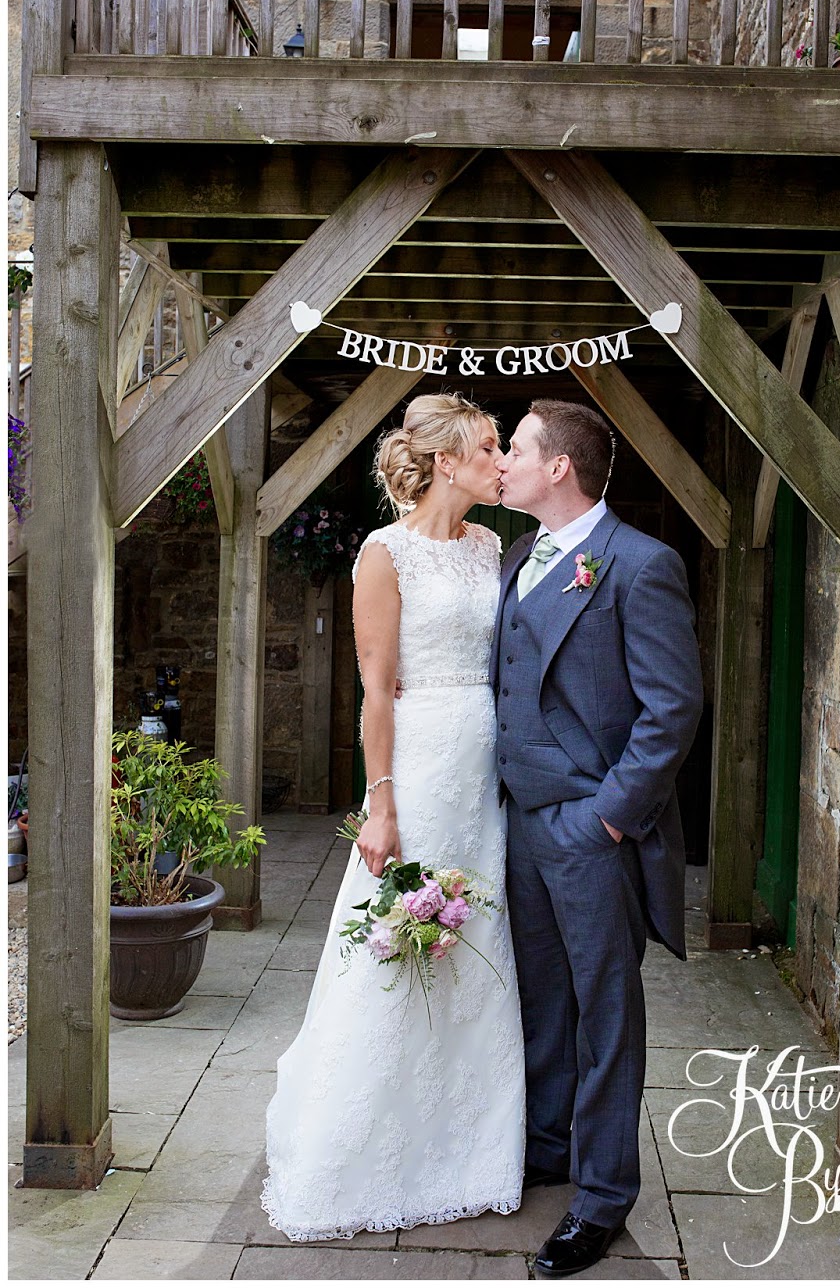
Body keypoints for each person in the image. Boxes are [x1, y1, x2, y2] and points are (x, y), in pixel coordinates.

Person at [262, 393, 524, 1241]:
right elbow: (376, 688)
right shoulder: (383, 553)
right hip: (419, 762)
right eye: (490, 449)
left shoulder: (493, 547)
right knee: (395, 935)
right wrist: (379, 805)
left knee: (478, 941)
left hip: (486, 767)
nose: (501, 462)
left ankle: (471, 1151)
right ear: (448, 462)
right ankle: (360, 1152)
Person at [492, 399, 702, 1278]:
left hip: (591, 832)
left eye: (515, 448)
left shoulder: (640, 565)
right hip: (520, 825)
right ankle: (548, 1148)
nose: (501, 461)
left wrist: (609, 817)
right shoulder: (516, 558)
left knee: (605, 1016)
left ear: (559, 469)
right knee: (542, 999)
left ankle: (603, 1196)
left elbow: (672, 709)